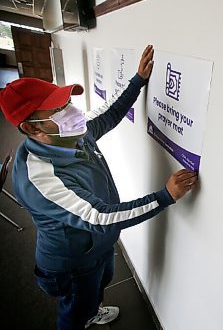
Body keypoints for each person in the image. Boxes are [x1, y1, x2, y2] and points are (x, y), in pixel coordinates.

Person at [0, 45, 198, 330]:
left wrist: (138, 81)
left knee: (96, 290)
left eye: (67, 102)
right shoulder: (38, 177)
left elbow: (110, 113)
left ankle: (91, 311)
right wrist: (164, 197)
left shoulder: (72, 134)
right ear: (33, 129)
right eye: (59, 110)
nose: (72, 112)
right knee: (73, 312)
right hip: (72, 262)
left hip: (97, 248)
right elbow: (100, 217)